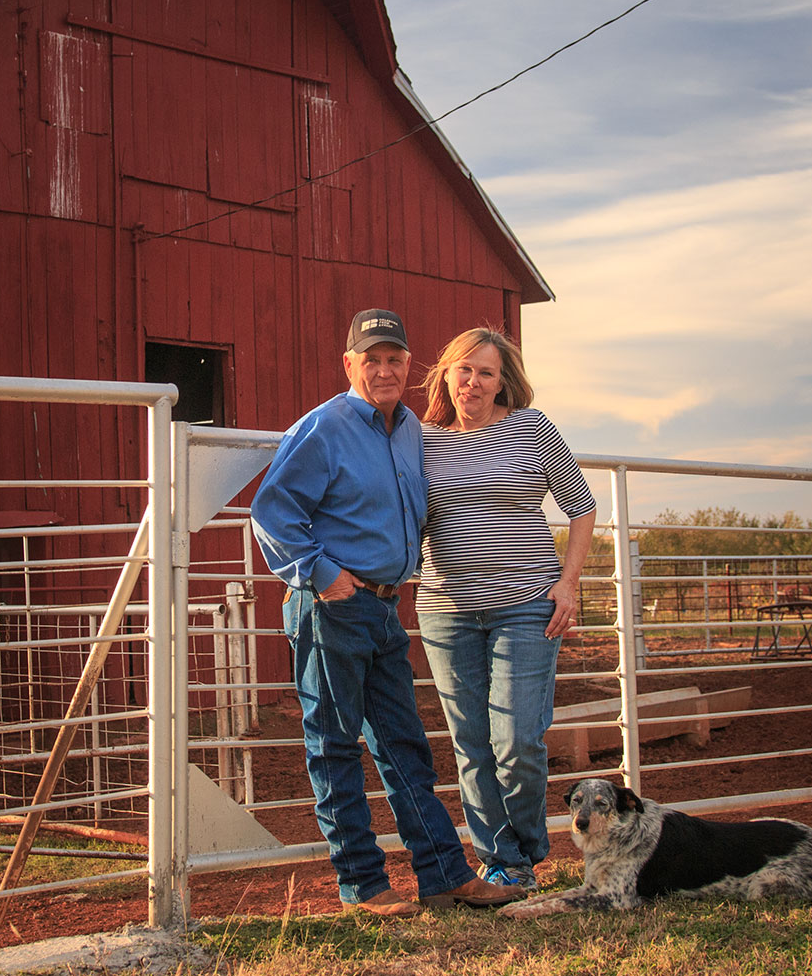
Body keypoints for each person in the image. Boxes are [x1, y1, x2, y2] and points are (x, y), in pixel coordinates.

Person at [251, 309, 524, 918]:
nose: (383, 369)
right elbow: (273, 513)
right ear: (349, 365)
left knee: (404, 743)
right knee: (335, 746)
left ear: (409, 365)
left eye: (394, 358)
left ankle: (444, 875)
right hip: (332, 607)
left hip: (384, 608)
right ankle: (364, 885)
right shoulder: (322, 428)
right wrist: (322, 575)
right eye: (370, 359)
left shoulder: (408, 430)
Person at [415, 328, 597, 891]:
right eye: (463, 369)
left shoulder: (531, 428)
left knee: (517, 738)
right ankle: (504, 862)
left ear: (503, 382)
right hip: (445, 609)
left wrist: (567, 586)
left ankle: (527, 848)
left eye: (486, 372)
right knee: (471, 744)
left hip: (526, 605)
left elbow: (581, 508)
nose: (473, 381)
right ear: (445, 374)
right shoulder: (415, 439)